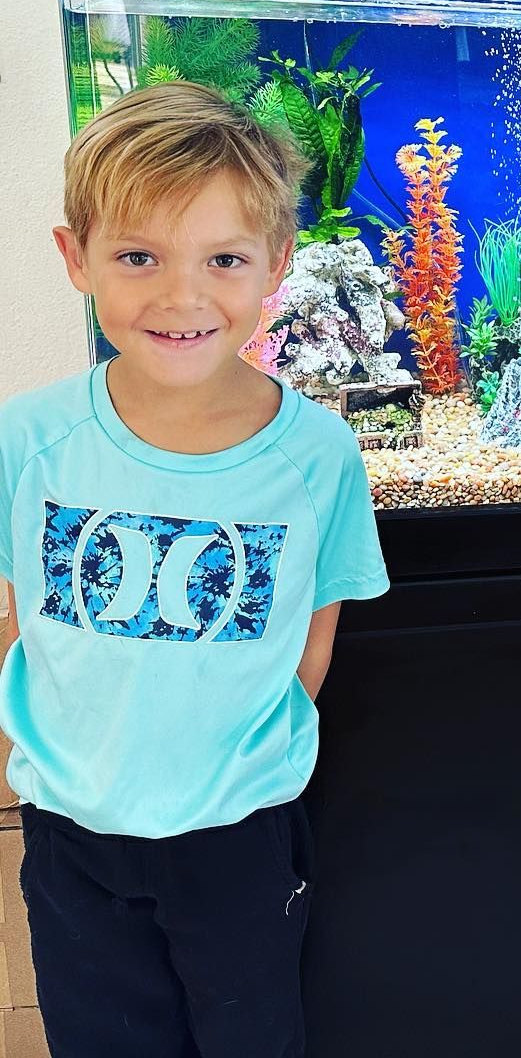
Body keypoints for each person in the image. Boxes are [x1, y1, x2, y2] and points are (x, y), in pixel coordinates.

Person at [0, 82, 391, 1057]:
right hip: (70, 833)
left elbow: (313, 638)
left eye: (222, 258)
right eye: (139, 256)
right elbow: (15, 613)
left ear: (276, 266)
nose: (181, 296)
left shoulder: (318, 456)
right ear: (75, 258)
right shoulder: (26, 440)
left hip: (241, 833)